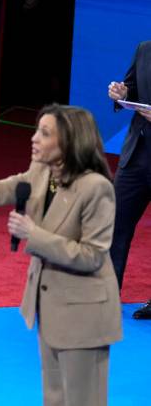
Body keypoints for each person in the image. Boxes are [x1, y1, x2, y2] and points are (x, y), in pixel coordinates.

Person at [0, 106, 121, 406]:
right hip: (49, 308)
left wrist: (32, 234)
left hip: (84, 315)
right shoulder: (41, 172)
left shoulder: (96, 188)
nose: (33, 139)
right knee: (54, 399)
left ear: (70, 141)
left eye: (44, 133)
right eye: (36, 130)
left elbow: (92, 256)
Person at [107, 42, 151, 318]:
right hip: (137, 157)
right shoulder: (145, 49)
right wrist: (121, 93)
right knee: (114, 227)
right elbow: (132, 88)